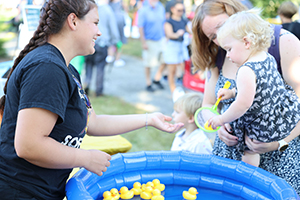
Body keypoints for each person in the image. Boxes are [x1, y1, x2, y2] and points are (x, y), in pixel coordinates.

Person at [0, 0, 183, 199]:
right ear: (73, 21)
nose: (99, 32)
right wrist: (85, 158)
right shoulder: (47, 68)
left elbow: (92, 122)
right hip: (20, 191)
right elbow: (29, 145)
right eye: (95, 23)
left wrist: (148, 119)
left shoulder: (67, 69)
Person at [191, 0, 300, 194]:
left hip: (279, 160)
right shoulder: (221, 52)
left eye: (221, 28)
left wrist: (279, 143)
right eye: (212, 37)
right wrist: (218, 125)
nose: (219, 40)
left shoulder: (283, 41)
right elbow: (208, 104)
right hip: (230, 156)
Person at [207, 10, 300, 167]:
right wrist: (231, 92)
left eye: (229, 49)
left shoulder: (246, 70)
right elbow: (257, 90)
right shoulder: (266, 57)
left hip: (264, 127)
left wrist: (221, 119)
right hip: (282, 117)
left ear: (246, 42)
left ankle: (249, 174)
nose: (228, 55)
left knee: (247, 147)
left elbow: (242, 104)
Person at [84, 0, 120, 96]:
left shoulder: (90, 8)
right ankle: (98, 90)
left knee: (89, 65)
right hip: (102, 43)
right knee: (100, 67)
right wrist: (115, 42)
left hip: (90, 41)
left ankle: (86, 84)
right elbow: (113, 29)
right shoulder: (108, 10)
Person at [138, 0, 166, 92]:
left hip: (161, 39)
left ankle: (157, 78)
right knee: (148, 63)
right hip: (149, 40)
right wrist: (143, 42)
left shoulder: (160, 7)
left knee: (165, 60)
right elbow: (140, 27)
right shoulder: (143, 10)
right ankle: (148, 83)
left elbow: (163, 23)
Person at [163, 1, 191, 93]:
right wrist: (178, 34)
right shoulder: (168, 22)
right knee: (172, 70)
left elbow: (190, 31)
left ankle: (182, 87)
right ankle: (173, 90)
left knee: (183, 67)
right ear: (172, 10)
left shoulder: (183, 20)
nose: (181, 12)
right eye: (179, 10)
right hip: (172, 46)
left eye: (182, 10)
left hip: (181, 46)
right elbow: (169, 34)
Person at [106, 0, 127, 67]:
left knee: (111, 39)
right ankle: (117, 59)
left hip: (111, 21)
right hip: (119, 21)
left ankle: (110, 56)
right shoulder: (120, 2)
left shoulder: (109, 2)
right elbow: (126, 9)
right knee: (119, 40)